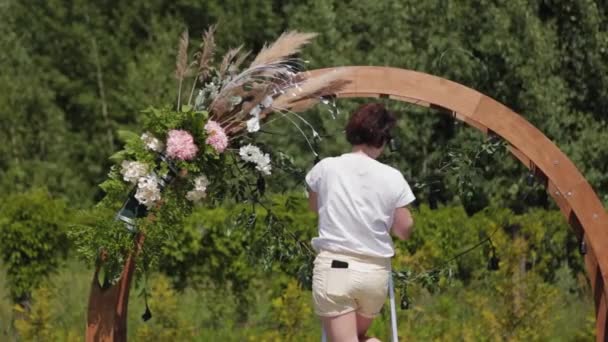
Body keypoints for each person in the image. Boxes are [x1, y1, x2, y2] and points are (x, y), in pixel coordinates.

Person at [306, 103, 415, 342]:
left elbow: (314, 207)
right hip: (374, 273)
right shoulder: (392, 176)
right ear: (382, 139)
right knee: (358, 336)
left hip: (337, 268)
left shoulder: (326, 168)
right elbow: (404, 229)